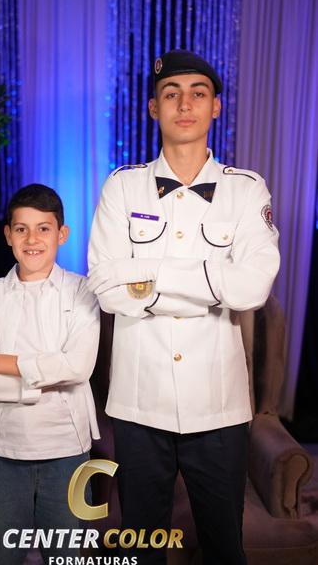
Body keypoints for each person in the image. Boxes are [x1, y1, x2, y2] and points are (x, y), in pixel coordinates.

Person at [87, 49, 280, 565]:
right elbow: (105, 287)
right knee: (143, 547)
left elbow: (252, 288)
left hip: (218, 406)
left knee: (224, 548)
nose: (185, 104)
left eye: (198, 93)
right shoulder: (122, 187)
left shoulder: (246, 190)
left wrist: (149, 278)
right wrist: (213, 283)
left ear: (216, 106)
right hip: (138, 403)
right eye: (171, 94)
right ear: (154, 108)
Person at [0, 183, 100, 565]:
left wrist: (0, 362)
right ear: (8, 235)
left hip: (67, 450)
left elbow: (78, 366)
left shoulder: (82, 292)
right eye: (21, 229)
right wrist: (44, 383)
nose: (32, 239)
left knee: (66, 557)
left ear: (62, 234)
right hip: (3, 451)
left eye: (43, 229)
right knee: (1, 558)